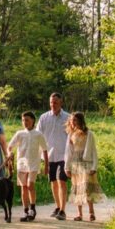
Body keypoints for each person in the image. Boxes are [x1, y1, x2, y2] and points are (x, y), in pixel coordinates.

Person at [7, 111, 49, 221]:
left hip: (34, 164)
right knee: (23, 187)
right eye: (23, 120)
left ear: (33, 121)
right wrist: (9, 153)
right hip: (22, 164)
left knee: (30, 185)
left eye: (27, 120)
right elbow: (10, 146)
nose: (25, 122)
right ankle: (26, 211)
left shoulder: (38, 134)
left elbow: (45, 150)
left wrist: (46, 166)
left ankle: (33, 208)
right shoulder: (19, 134)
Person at [36, 91, 70, 220]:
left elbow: (71, 136)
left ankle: (62, 210)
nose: (53, 104)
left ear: (61, 102)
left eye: (55, 102)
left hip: (64, 155)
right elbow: (39, 137)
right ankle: (57, 206)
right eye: (51, 102)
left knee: (61, 181)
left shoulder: (68, 117)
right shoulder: (44, 118)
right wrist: (40, 157)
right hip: (49, 156)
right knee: (53, 182)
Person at [65, 111, 103, 222]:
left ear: (80, 120)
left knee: (87, 188)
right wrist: (66, 167)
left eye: (75, 120)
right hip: (75, 163)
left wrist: (94, 167)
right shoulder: (71, 134)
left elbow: (93, 151)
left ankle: (91, 213)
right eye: (71, 120)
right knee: (77, 189)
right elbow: (68, 152)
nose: (73, 122)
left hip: (86, 163)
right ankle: (79, 214)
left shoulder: (88, 134)